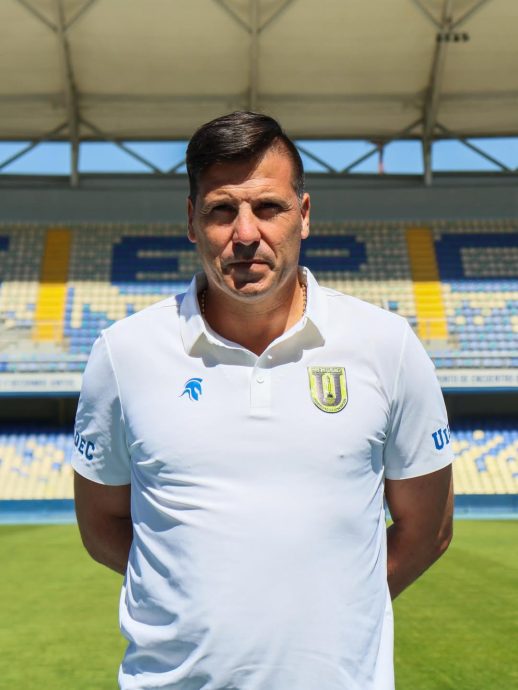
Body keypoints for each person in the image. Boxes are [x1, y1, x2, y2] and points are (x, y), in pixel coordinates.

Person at [73, 111, 454, 690]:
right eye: (222, 210)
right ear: (192, 221)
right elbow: (100, 522)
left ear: (304, 214)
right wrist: (188, 593)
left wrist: (334, 608)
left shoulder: (387, 345)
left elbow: (430, 528)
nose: (246, 233)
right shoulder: (124, 353)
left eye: (268, 207)